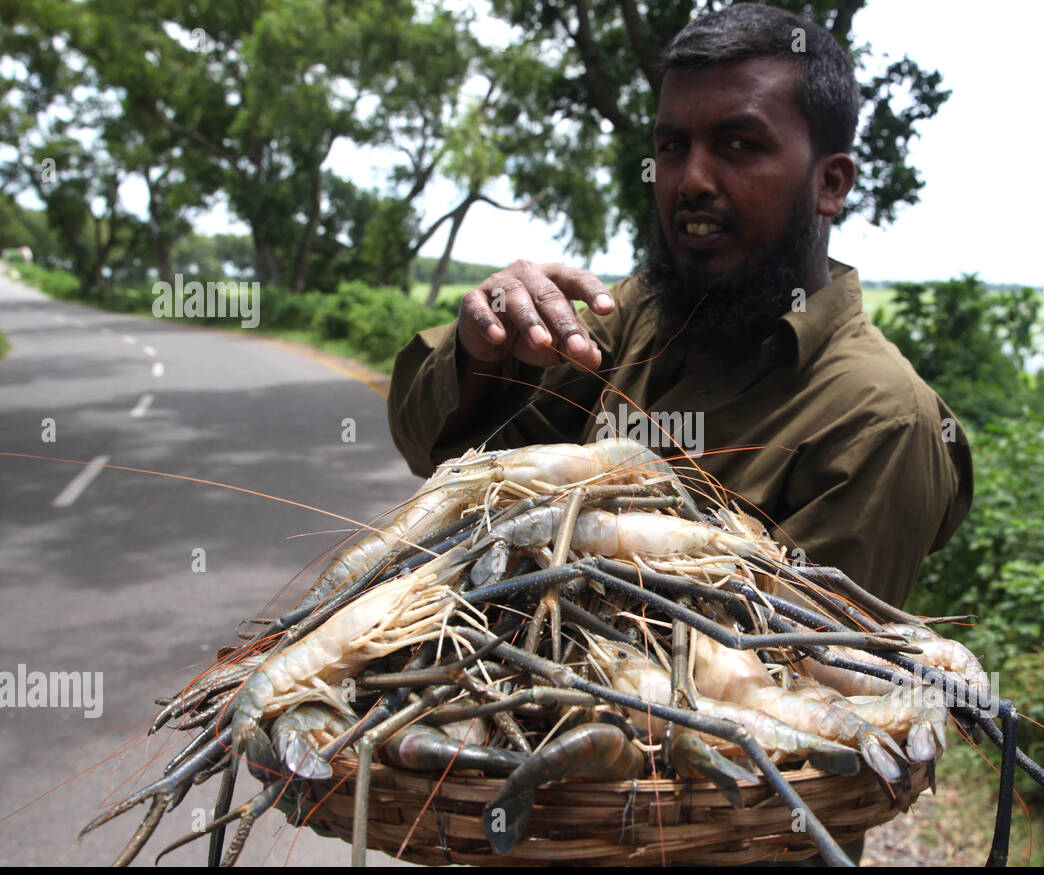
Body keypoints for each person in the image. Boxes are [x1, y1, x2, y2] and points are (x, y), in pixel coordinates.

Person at [388, 3, 973, 611]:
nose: (691, 178)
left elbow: (789, 680)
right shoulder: (640, 312)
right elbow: (435, 452)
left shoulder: (881, 422)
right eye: (673, 146)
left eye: (739, 145)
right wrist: (481, 353)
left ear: (831, 184)